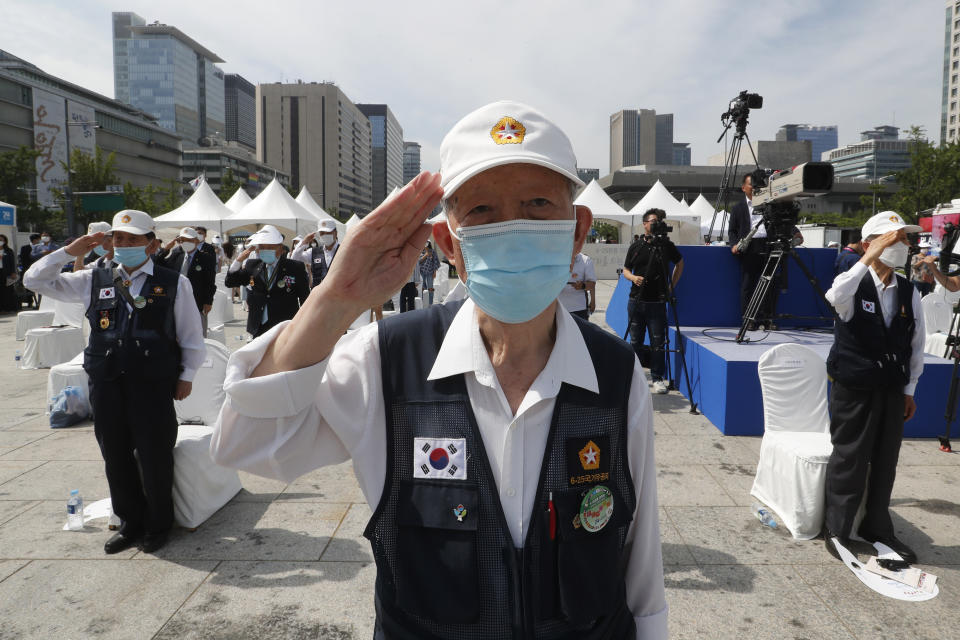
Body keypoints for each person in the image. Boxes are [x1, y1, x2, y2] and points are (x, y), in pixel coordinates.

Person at [211, 100, 667, 639]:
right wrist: (334, 300)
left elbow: (640, 567)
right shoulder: (387, 360)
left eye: (537, 203)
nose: (513, 227)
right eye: (481, 211)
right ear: (449, 244)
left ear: (575, 229)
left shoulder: (615, 370)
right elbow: (243, 444)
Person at [23, 209, 206, 554]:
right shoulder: (94, 278)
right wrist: (68, 251)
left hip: (151, 381)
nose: (124, 245)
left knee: (154, 455)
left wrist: (188, 375)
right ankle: (130, 522)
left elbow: (191, 336)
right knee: (115, 454)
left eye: (133, 239)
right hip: (107, 380)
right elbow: (34, 281)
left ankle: (158, 524)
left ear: (151, 245)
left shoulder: (173, 282)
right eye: (119, 239)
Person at [822, 211, 925, 564]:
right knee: (849, 459)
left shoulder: (908, 290)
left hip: (892, 389)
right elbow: (835, 297)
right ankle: (837, 530)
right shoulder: (850, 283)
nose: (904, 246)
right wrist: (866, 258)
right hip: (854, 388)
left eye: (905, 240)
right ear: (871, 244)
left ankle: (877, 528)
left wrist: (909, 388)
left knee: (885, 461)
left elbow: (916, 342)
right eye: (895, 239)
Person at [623, 208, 683, 394]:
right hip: (636, 300)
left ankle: (657, 378)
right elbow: (625, 269)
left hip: (657, 301)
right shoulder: (636, 246)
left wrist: (671, 287)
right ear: (645, 224)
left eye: (659, 221)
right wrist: (634, 278)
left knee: (658, 342)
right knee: (635, 341)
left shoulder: (666, 245)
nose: (656, 224)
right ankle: (634, 377)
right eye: (653, 221)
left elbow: (680, 263)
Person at [224, 224, 309, 337]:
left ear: (280, 248)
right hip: (258, 326)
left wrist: (305, 324)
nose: (265, 250)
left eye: (270, 247)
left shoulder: (295, 267)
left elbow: (305, 298)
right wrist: (238, 261)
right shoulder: (252, 266)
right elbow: (230, 282)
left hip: (284, 326)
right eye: (262, 247)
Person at [157, 227, 217, 337]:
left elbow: (210, 282)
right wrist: (165, 249)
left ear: (196, 240)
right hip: (176, 300)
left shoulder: (205, 258)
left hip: (197, 301)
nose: (185, 243)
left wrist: (208, 301)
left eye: (188, 240)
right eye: (182, 240)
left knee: (198, 333)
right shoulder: (176, 255)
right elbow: (158, 264)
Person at [291, 220, 339, 289]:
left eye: (328, 233)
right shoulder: (313, 252)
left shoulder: (343, 250)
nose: (325, 235)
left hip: (338, 295)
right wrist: (304, 241)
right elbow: (295, 258)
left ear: (335, 233)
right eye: (322, 233)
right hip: (318, 296)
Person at [559, 251, 597, 320]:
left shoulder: (586, 260)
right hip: (558, 309)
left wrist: (583, 286)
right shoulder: (555, 260)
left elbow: (592, 283)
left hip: (579, 309)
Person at [0, 234, 16, 312]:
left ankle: (8, 307)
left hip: (6, 273)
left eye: (1, 240)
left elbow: (12, 262)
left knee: (7, 290)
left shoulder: (9, 251)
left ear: (5, 241)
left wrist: (13, 272)